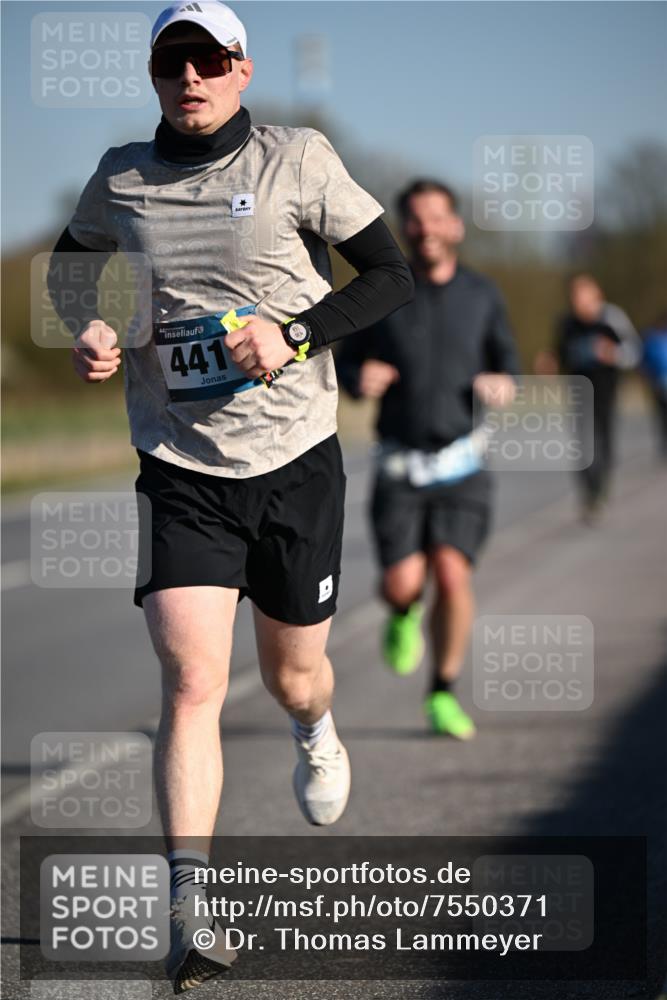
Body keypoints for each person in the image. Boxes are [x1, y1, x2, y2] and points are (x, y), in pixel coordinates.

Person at [48, 2, 413, 991]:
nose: (190, 80)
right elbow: (75, 264)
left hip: (295, 459)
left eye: (209, 62)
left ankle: (312, 726)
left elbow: (390, 273)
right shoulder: (121, 175)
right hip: (181, 464)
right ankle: (193, 904)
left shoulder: (297, 160)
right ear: (155, 76)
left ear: (242, 70)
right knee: (192, 683)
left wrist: (294, 334)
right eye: (172, 64)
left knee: (295, 676)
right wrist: (89, 324)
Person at [337, 179, 519, 741]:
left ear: (456, 226)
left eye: (437, 217)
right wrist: (358, 379)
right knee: (401, 582)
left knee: (452, 573)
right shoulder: (383, 292)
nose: (426, 228)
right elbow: (344, 365)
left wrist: (501, 384)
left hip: (462, 464)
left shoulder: (483, 294)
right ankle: (401, 610)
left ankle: (442, 691)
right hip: (399, 464)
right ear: (404, 228)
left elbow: (507, 364)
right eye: (415, 219)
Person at [536, 273, 641, 523]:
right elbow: (559, 353)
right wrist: (549, 363)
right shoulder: (567, 323)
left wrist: (613, 353)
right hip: (579, 390)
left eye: (583, 295)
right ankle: (589, 495)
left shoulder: (612, 318)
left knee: (604, 441)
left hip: (606, 390)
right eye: (574, 296)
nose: (578, 301)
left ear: (596, 295)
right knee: (582, 444)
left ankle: (600, 490)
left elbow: (635, 352)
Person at [639, 312, 667, 460]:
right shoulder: (651, 339)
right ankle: (664, 444)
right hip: (658, 383)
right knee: (662, 415)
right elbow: (644, 362)